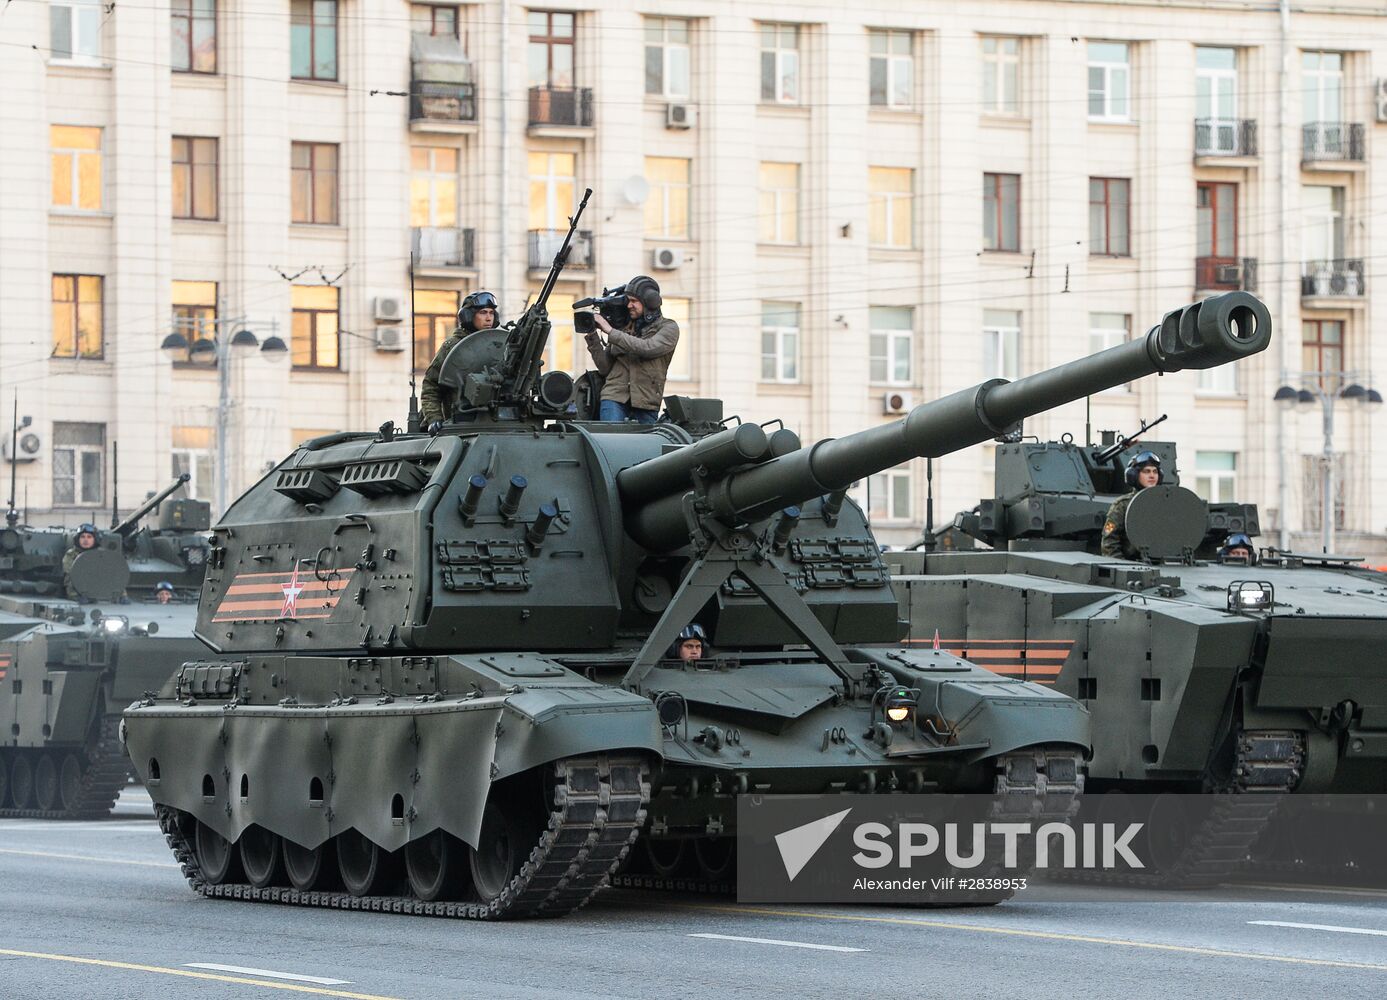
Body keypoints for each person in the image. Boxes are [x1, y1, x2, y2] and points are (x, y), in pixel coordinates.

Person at [585, 275, 679, 424]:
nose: (629, 305)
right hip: (613, 396)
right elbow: (604, 368)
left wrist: (610, 331)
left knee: (644, 446)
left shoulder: (668, 328)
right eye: (628, 301)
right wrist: (592, 335)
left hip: (646, 400)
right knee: (610, 442)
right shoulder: (624, 329)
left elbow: (647, 348)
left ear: (650, 302)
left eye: (634, 301)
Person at [420, 290, 500, 428]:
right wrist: (434, 418)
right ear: (469, 316)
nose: (488, 318)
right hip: (460, 422)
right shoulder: (453, 347)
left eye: (491, 313)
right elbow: (430, 386)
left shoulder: (499, 346)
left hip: (495, 420)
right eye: (483, 313)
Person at [1101, 451, 1162, 559]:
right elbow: (1109, 541)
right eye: (1146, 471)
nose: (1152, 476)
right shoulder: (1122, 505)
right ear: (1133, 475)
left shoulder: (1164, 503)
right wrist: (1121, 565)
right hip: (1131, 565)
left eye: (1155, 471)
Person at [62, 523, 99, 599]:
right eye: (82, 537)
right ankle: (74, 596)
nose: (86, 540)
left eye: (89, 537)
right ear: (77, 539)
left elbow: (111, 573)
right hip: (77, 587)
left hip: (97, 587)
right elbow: (69, 571)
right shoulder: (71, 554)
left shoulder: (100, 555)